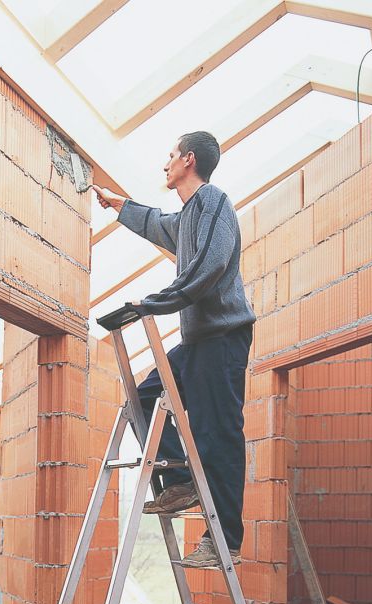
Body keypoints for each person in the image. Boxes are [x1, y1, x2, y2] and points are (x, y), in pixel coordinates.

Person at [91, 131, 255, 568]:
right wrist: (117, 203)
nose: (164, 164)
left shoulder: (213, 202)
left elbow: (208, 266)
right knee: (142, 397)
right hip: (197, 340)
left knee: (217, 433)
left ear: (188, 159)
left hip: (223, 336)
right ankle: (179, 481)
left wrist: (155, 302)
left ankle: (226, 543)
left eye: (169, 156)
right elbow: (155, 222)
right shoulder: (186, 218)